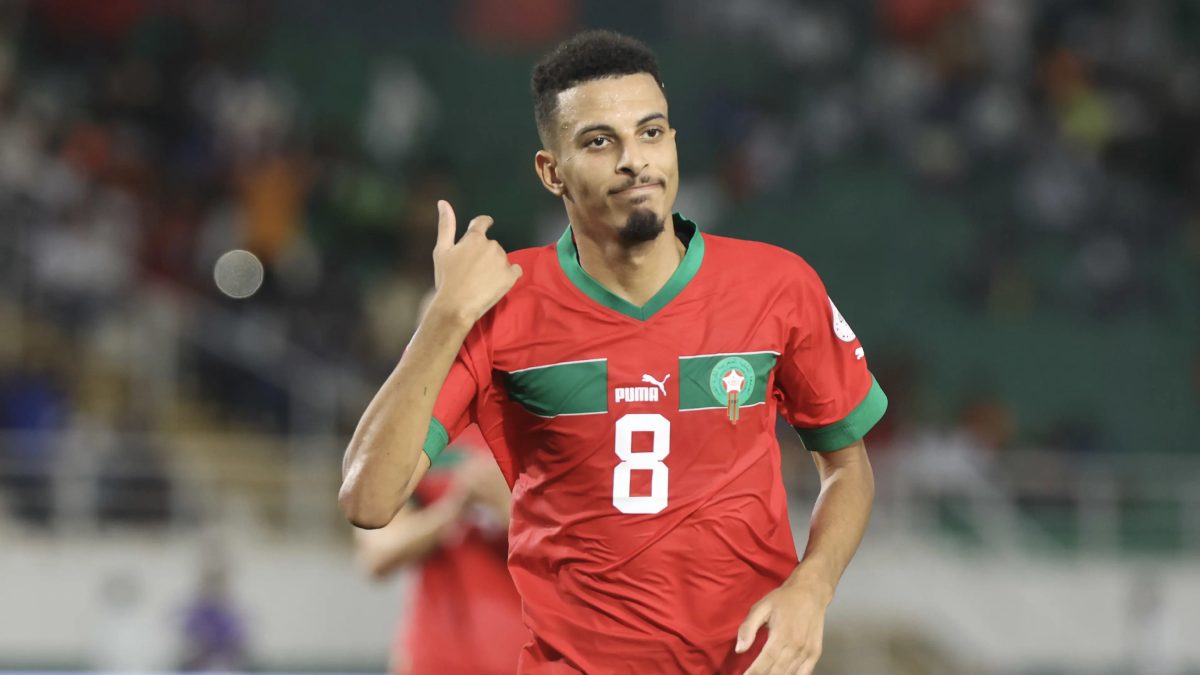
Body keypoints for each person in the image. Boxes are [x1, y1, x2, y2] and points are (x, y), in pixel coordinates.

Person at [340, 30, 886, 675]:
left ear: (675, 144)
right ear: (552, 172)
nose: (635, 160)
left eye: (651, 133)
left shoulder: (778, 285)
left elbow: (847, 467)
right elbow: (368, 502)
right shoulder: (501, 305)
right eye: (600, 142)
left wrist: (812, 586)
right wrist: (445, 319)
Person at [354, 426, 528, 675]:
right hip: (432, 661)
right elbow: (376, 554)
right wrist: (454, 509)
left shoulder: (553, 421)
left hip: (524, 660)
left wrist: (511, 512)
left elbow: (587, 559)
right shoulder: (420, 425)